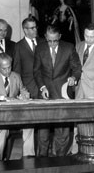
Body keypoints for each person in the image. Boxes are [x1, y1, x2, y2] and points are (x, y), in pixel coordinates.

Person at [33, 25, 82, 157]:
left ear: (59, 37)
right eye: (50, 40)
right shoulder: (39, 48)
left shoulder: (69, 47)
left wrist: (73, 78)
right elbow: (36, 71)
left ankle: (61, 160)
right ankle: (42, 161)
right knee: (43, 132)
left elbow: (77, 68)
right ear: (46, 37)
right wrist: (42, 87)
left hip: (63, 93)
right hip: (45, 93)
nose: (53, 43)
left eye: (55, 40)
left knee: (62, 131)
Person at [0, 53, 33, 160]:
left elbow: (23, 90)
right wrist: (5, 98)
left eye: (9, 67)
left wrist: (25, 96)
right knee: (3, 128)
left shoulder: (16, 76)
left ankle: (28, 159)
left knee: (30, 125)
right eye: (4, 68)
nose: (7, 71)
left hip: (15, 115)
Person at [13, 17, 42, 158]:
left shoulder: (43, 42)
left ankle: (43, 155)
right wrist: (21, 90)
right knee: (29, 124)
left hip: (43, 88)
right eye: (32, 28)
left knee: (44, 124)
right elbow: (17, 71)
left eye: (36, 27)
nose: (35, 30)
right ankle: (29, 156)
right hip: (28, 89)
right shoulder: (18, 46)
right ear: (25, 30)